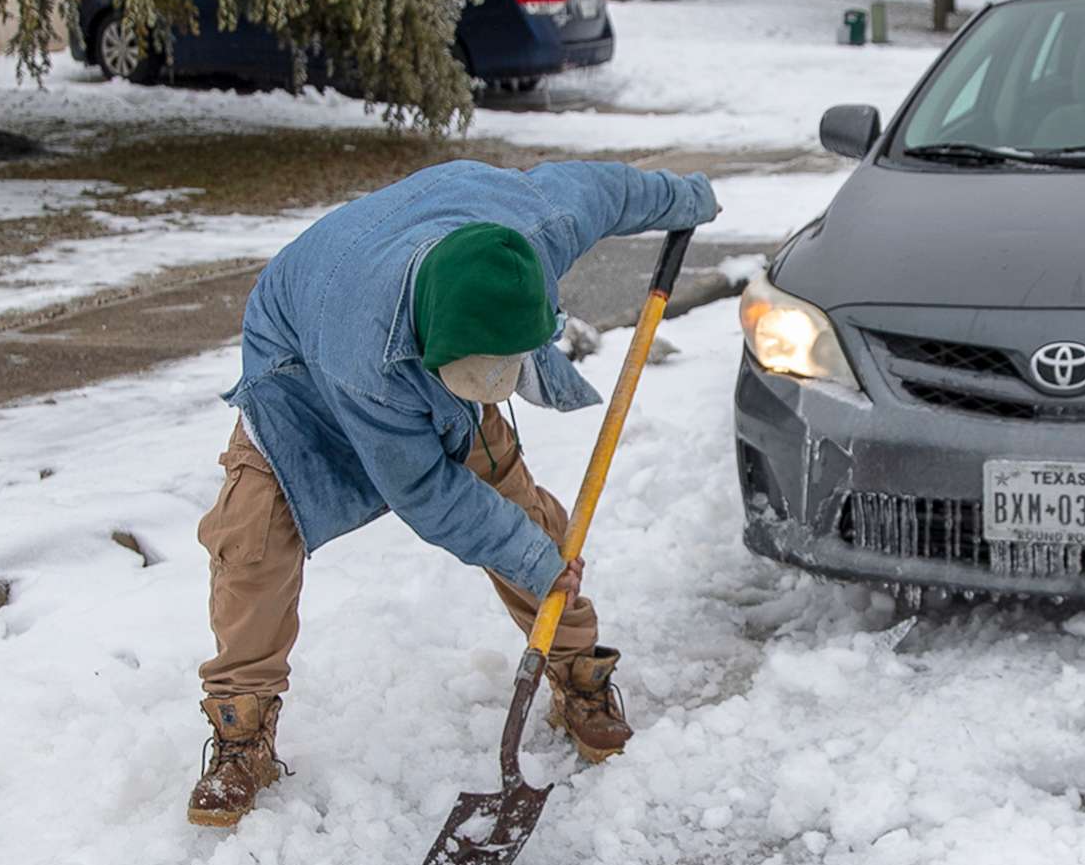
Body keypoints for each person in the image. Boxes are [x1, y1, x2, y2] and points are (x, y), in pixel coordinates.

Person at [186, 158, 717, 827]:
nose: (490, 389)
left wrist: (685, 197)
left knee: (524, 520)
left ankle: (576, 667)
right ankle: (241, 731)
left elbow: (608, 191)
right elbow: (431, 496)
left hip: (430, 332)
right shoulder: (367, 358)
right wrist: (530, 558)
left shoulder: (530, 230)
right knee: (251, 545)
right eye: (473, 379)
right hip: (300, 375)